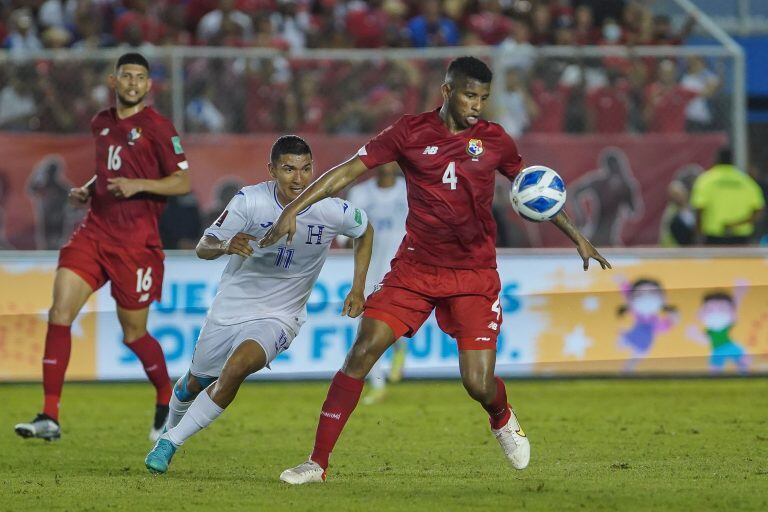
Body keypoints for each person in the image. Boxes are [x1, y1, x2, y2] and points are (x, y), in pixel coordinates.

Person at [259, 56, 611, 484]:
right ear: (447, 92)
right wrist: (292, 208)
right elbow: (345, 173)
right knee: (362, 350)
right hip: (416, 269)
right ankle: (317, 463)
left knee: (478, 383)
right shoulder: (408, 132)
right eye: (469, 94)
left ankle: (501, 415)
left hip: (474, 274)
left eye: (483, 97)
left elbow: (534, 191)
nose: (477, 104)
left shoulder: (496, 140)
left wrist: (576, 236)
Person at [144, 135, 374, 474]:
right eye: (289, 169)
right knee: (195, 381)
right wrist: (225, 245)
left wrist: (359, 287)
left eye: (306, 169)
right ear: (272, 171)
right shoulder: (250, 202)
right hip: (231, 309)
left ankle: (169, 443)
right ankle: (170, 431)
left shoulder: (330, 208)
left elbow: (365, 231)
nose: (299, 178)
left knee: (235, 369)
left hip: (281, 316)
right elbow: (203, 247)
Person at [14, 53, 191, 442]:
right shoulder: (102, 122)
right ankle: (50, 415)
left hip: (135, 245)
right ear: (114, 81)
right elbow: (111, 169)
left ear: (148, 85)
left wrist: (139, 186)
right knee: (59, 312)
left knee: (133, 334)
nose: (132, 83)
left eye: (140, 77)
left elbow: (182, 183)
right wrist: (90, 188)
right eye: (126, 76)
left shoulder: (159, 128)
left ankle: (166, 396)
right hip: (94, 234)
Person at [344, 162, 408, 405]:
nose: (389, 163)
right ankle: (377, 383)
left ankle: (399, 346)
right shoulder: (360, 194)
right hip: (369, 271)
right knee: (368, 327)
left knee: (394, 322)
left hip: (401, 269)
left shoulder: (409, 190)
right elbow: (346, 232)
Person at [691, 148, 765, 245]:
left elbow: (699, 209)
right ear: (733, 161)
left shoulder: (706, 181)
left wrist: (698, 236)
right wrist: (738, 223)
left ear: (716, 160)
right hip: (741, 238)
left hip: (714, 238)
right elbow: (759, 210)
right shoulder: (746, 181)